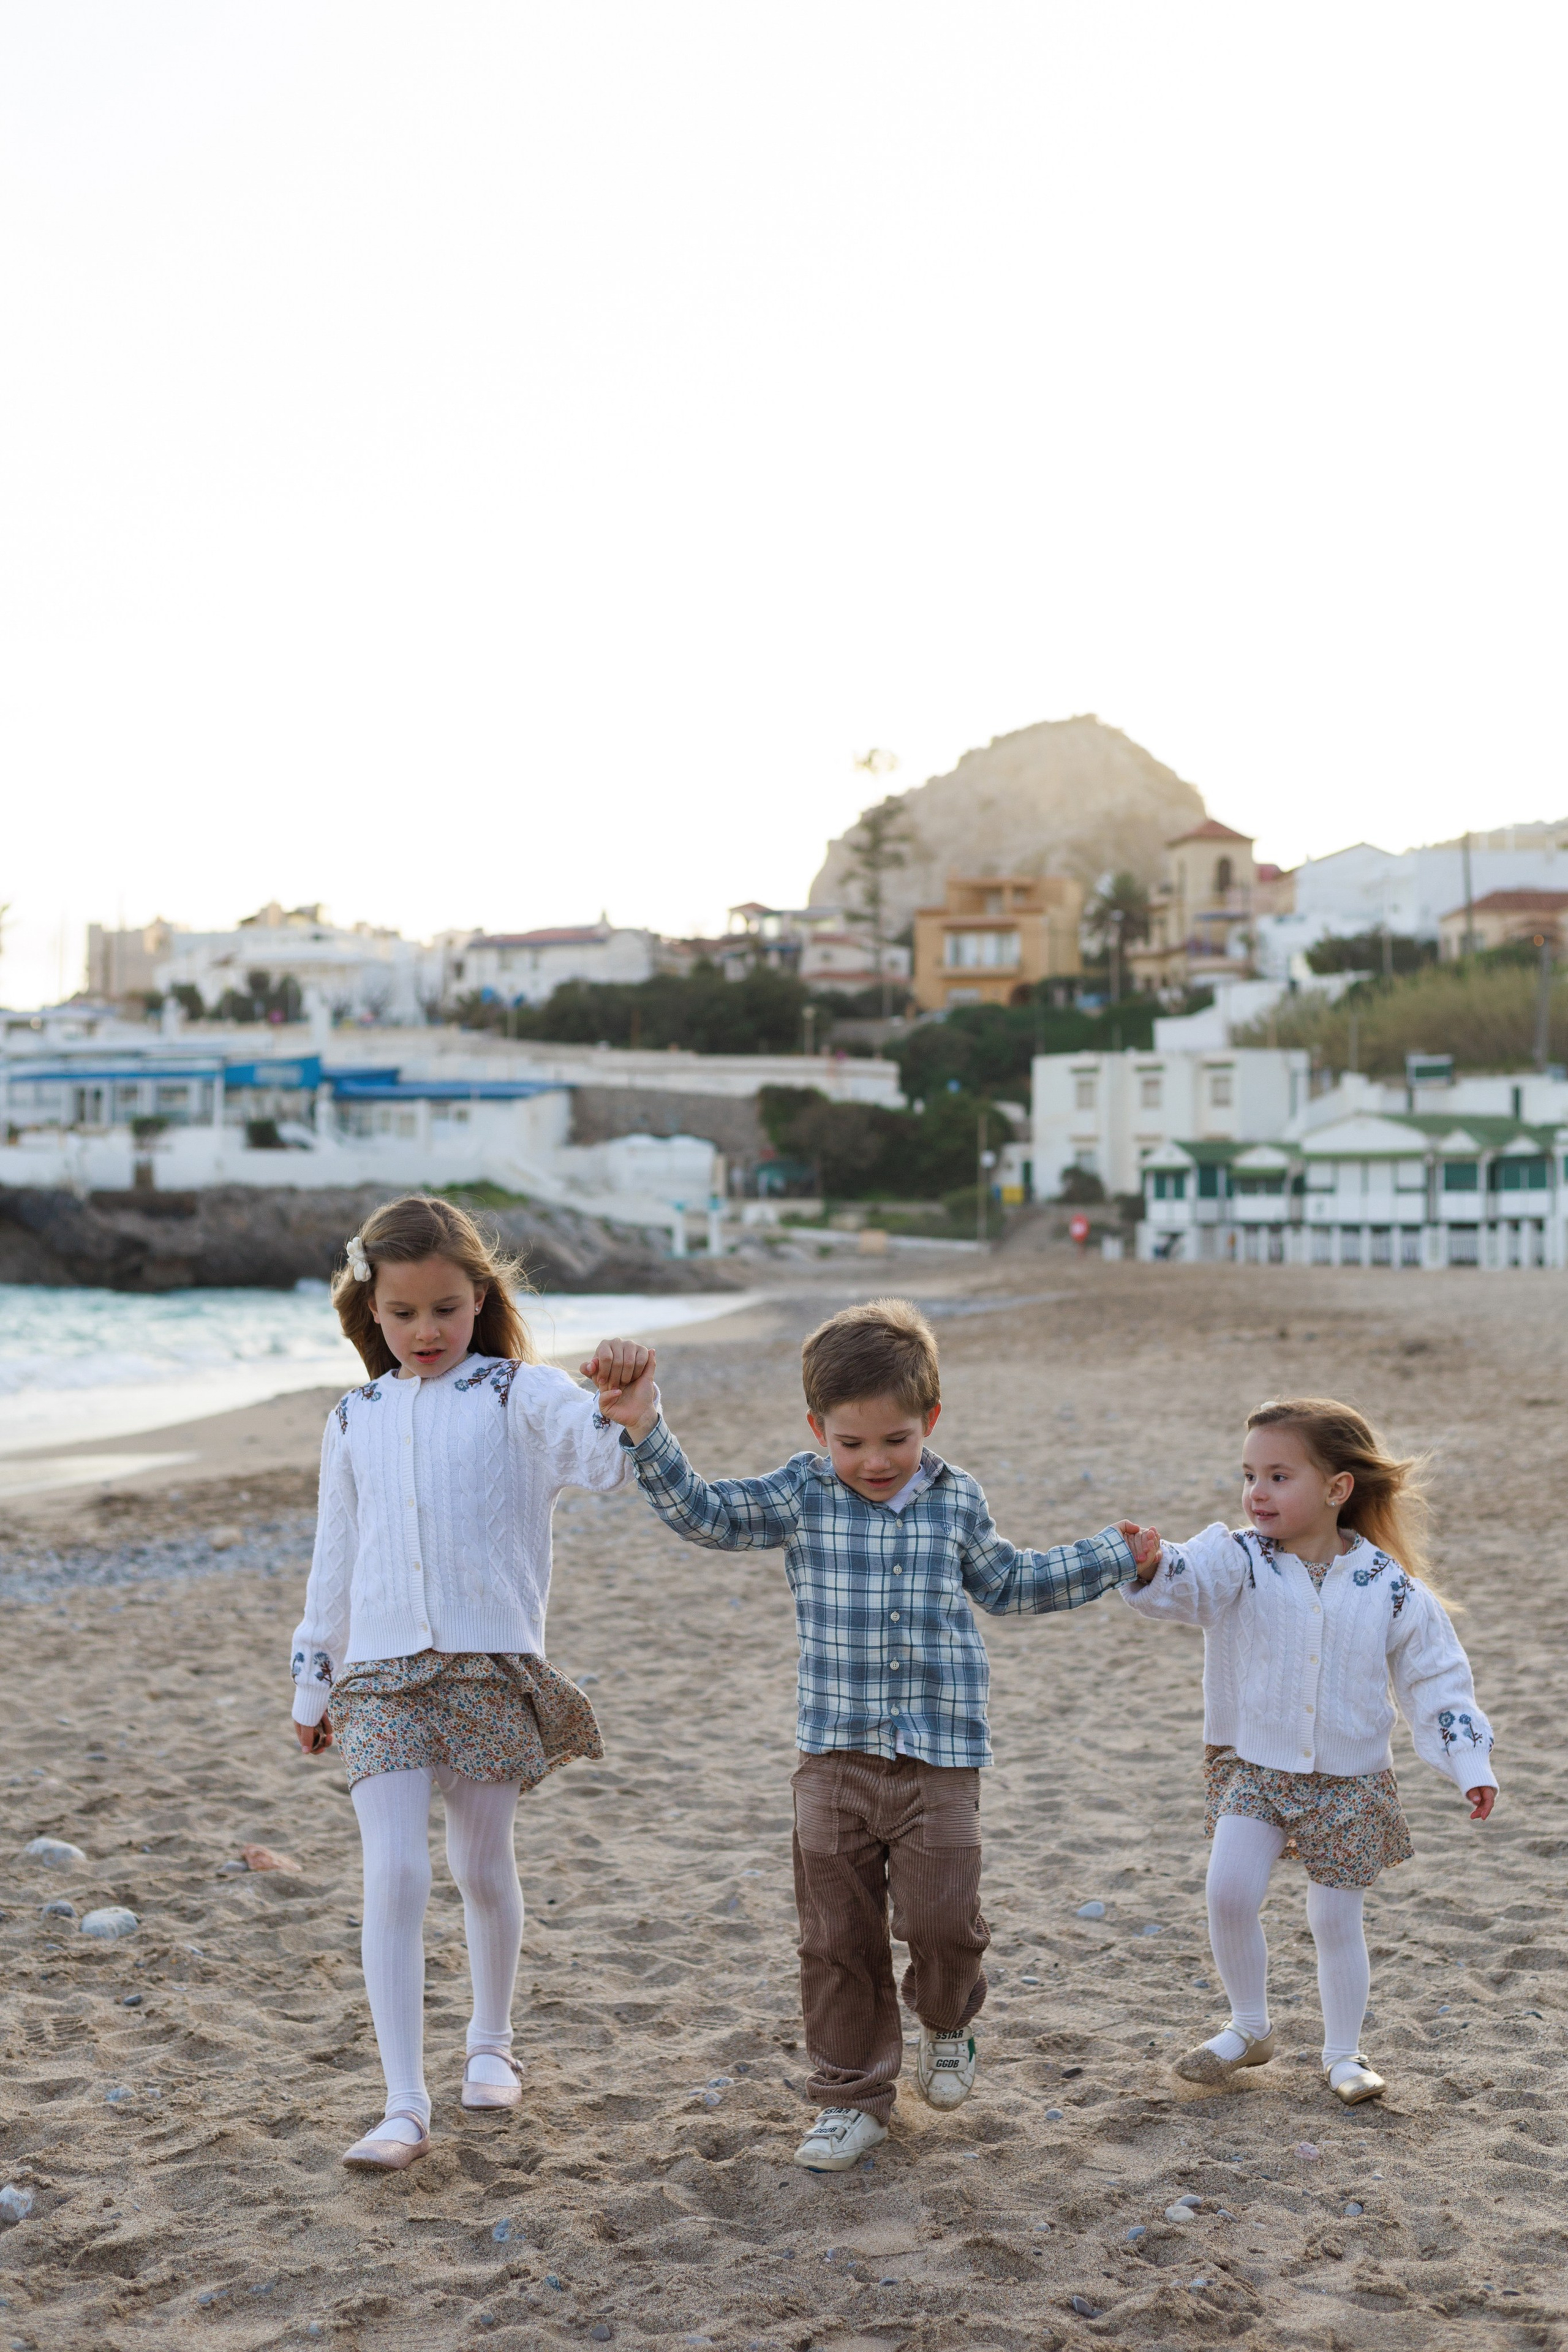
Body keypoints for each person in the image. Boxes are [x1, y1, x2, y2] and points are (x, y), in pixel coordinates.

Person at [583, 1298, 1153, 2172]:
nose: (874, 1461)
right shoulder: (802, 1492)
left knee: (945, 1922)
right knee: (835, 1937)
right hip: (834, 1756)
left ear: (930, 1419)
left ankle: (950, 2018)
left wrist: (1113, 1556)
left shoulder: (956, 1498)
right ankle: (852, 2098)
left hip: (940, 1759)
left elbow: (1008, 1583)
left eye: (895, 1440)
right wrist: (644, 1427)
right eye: (851, 1444)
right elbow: (706, 1514)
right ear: (818, 1430)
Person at [290, 1194, 633, 2171]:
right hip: (382, 1677)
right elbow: (336, 1558)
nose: (425, 1330)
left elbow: (602, 1460)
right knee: (393, 1872)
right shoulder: (352, 1416)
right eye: (403, 1314)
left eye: (445, 1308)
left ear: (478, 1299)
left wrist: (626, 1400)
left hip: (488, 1664)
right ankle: (404, 2104)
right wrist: (314, 1680)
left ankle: (493, 2043)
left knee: (481, 1868)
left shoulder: (518, 1394)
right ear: (373, 1312)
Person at [1123, 1396, 1496, 2106]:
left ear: (1336, 1489)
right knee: (1228, 1892)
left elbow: (1436, 1680)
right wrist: (1149, 1564)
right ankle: (1248, 2027)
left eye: (1277, 1476)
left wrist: (1468, 1762)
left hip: (1350, 1781)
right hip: (1255, 1767)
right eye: (1248, 1475)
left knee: (1333, 1920)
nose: (1255, 1493)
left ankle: (1343, 2053)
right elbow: (1185, 1585)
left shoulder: (1389, 1588)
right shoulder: (1239, 1560)